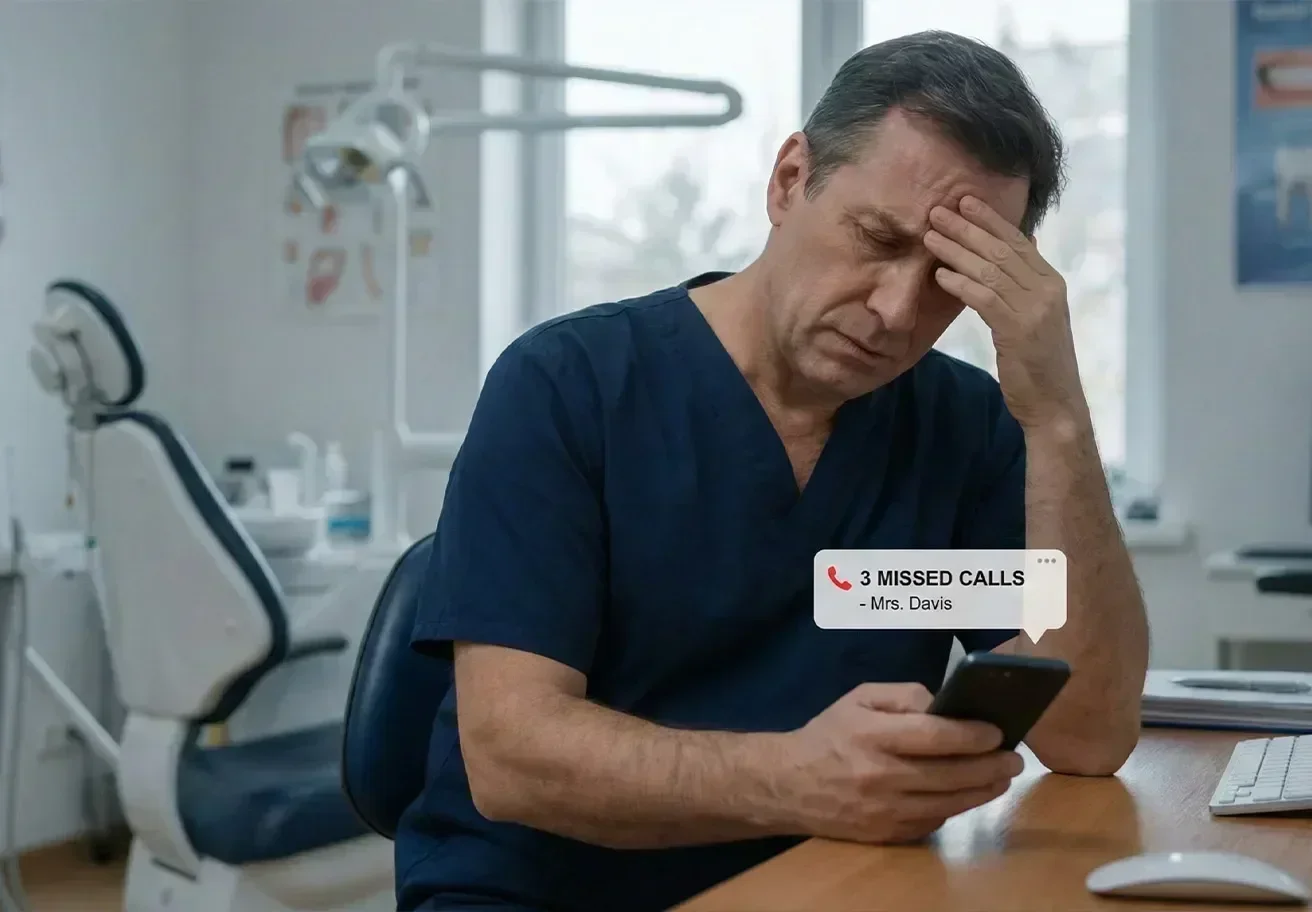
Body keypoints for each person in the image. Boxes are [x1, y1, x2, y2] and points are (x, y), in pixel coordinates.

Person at [394, 29, 1150, 912]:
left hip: (830, 884)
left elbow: (1089, 732)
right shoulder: (571, 388)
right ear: (791, 179)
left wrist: (1057, 416)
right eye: (876, 238)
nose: (896, 311)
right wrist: (795, 779)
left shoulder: (960, 428)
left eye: (951, 278)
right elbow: (511, 757)